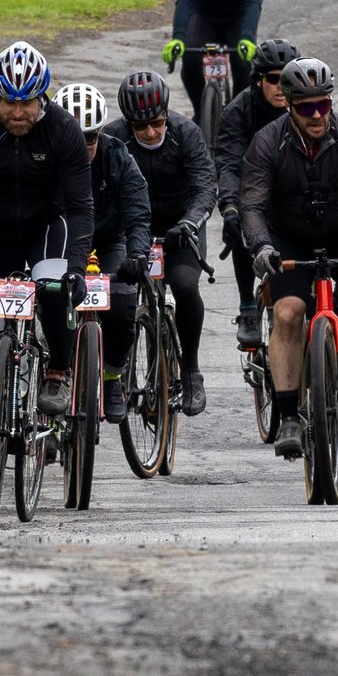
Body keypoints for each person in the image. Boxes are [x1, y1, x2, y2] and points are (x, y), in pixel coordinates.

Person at [0, 41, 94, 489]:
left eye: (28, 103)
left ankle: (58, 371)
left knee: (53, 289)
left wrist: (77, 268)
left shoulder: (63, 129)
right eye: (10, 102)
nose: (19, 112)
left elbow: (81, 208)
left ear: (43, 98)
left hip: (48, 227)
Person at [237, 56, 338, 456]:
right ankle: (289, 414)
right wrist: (261, 246)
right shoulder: (267, 142)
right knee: (288, 313)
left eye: (324, 104)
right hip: (288, 239)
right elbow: (252, 202)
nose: (318, 114)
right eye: (307, 108)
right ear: (289, 105)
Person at [107, 68, 215, 415]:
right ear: (128, 124)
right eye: (141, 127)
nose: (151, 132)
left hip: (180, 227)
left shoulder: (186, 133)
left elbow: (205, 187)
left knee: (184, 285)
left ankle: (191, 371)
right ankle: (117, 370)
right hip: (133, 228)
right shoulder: (113, 138)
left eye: (157, 123)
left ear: (166, 114)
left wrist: (189, 223)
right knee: (119, 292)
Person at [50, 82, 154, 424]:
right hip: (62, 241)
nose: (83, 147)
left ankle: (112, 376)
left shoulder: (117, 156)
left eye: (90, 138)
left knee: (123, 302)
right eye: (73, 139)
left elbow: (138, 210)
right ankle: (52, 371)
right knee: (51, 301)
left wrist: (137, 254)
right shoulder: (45, 158)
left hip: (108, 240)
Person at [213, 37, 298, 352]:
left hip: (294, 190)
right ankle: (247, 306)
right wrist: (229, 208)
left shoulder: (306, 106)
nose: (280, 87)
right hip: (253, 190)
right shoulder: (239, 110)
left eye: (287, 79)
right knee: (241, 222)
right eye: (273, 79)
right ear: (258, 80)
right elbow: (228, 164)